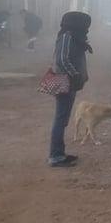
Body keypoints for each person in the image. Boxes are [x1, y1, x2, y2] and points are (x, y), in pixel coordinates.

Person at [47, 11, 92, 167]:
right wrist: (75, 73)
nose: (87, 28)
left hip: (68, 81)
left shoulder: (73, 36)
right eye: (85, 24)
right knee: (60, 119)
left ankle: (59, 152)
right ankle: (55, 156)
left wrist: (81, 75)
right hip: (63, 81)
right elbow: (62, 59)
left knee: (63, 119)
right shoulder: (67, 36)